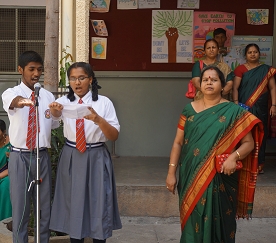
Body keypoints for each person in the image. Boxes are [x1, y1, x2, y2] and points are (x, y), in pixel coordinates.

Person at [166, 66, 264, 243]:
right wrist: (171, 173)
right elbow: (178, 142)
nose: (209, 82)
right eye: (205, 79)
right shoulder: (188, 110)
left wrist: (234, 157)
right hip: (190, 174)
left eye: (214, 79)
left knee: (221, 222)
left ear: (223, 85)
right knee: (192, 222)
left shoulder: (234, 112)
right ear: (199, 85)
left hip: (221, 177)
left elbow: (249, 143)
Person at [49, 62, 122, 243]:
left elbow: (114, 136)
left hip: (96, 155)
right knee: (73, 202)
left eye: (81, 78)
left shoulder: (103, 102)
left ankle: (99, 238)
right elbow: (55, 119)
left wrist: (99, 120)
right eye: (73, 78)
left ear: (90, 79)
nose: (77, 82)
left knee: (98, 202)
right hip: (72, 154)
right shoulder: (64, 102)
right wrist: (54, 112)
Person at [1, 51, 59, 243]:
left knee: (43, 209)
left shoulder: (47, 95)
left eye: (39, 70)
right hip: (20, 157)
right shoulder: (11, 93)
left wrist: (57, 114)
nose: (36, 74)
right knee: (21, 209)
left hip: (41, 156)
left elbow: (54, 123)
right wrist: (28, 101)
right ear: (20, 70)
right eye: (31, 69)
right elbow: (15, 103)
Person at [233, 43, 276, 174]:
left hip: (262, 108)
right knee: (244, 134)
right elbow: (235, 88)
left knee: (260, 134)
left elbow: (273, 87)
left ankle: (259, 165)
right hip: (244, 108)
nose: (253, 54)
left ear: (259, 54)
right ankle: (243, 163)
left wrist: (274, 105)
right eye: (250, 52)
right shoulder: (241, 69)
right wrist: (235, 102)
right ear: (245, 55)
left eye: (255, 52)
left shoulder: (266, 70)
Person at [0, 119, 12, 221]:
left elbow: (11, 167)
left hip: (5, 175)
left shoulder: (10, 145)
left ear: (3, 132)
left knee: (6, 184)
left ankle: (5, 220)